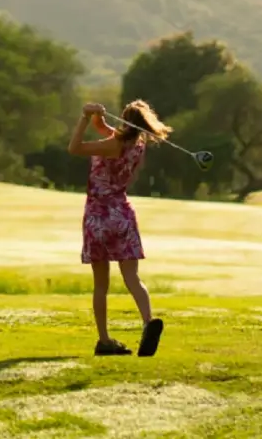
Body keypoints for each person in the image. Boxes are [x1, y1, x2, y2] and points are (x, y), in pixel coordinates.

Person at [67, 99, 168, 357]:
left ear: (125, 119)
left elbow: (75, 148)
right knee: (132, 277)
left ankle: (104, 340)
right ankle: (148, 322)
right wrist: (97, 118)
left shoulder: (113, 144)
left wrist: (83, 118)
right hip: (122, 215)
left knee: (101, 284)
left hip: (98, 215)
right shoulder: (138, 145)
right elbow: (106, 130)